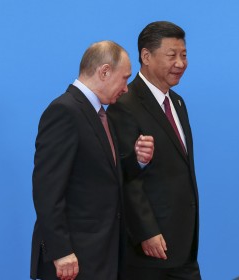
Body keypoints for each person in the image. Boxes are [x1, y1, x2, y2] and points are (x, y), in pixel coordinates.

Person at [30, 40, 154, 280]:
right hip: (74, 260)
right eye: (124, 78)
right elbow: (47, 189)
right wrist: (61, 251)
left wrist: (136, 160)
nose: (126, 88)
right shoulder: (64, 111)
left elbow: (101, 176)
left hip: (101, 256)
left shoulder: (100, 114)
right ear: (105, 71)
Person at [108, 21, 201, 279]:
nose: (181, 63)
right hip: (149, 251)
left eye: (184, 55)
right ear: (145, 56)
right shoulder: (124, 104)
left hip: (184, 246)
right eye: (172, 55)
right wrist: (146, 231)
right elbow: (125, 176)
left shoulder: (178, 103)